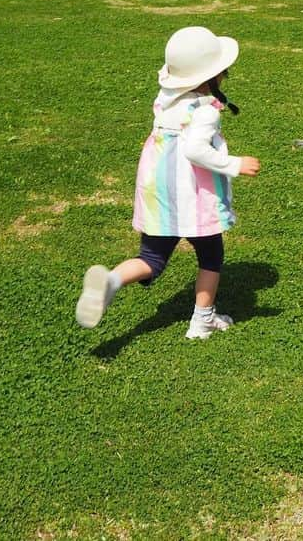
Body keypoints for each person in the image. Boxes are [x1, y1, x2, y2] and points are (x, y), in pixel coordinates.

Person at [75, 27, 261, 339]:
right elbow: (195, 150)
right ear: (211, 75)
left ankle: (111, 281)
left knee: (151, 258)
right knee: (211, 255)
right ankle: (202, 319)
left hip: (159, 190)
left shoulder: (166, 97)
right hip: (193, 195)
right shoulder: (205, 112)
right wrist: (234, 164)